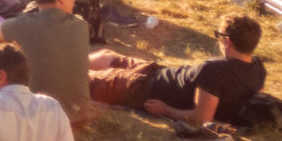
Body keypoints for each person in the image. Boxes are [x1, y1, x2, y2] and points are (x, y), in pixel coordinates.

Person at [87, 13, 265, 126]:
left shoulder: (215, 71)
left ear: (228, 42)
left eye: (218, 36)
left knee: (87, 79)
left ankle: (60, 66)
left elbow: (202, 118)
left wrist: (166, 111)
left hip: (143, 88)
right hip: (156, 72)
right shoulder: (257, 67)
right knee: (107, 56)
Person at [0, 0, 92, 127]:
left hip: (36, 118)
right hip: (77, 117)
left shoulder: (24, 24)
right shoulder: (81, 25)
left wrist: (14, 41)